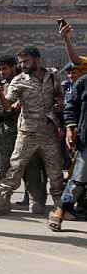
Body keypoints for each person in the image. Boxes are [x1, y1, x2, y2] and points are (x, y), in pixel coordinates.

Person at [0, 47, 64, 216]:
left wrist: (59, 104)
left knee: (55, 171)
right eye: (20, 62)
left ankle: (60, 206)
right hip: (26, 132)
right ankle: (3, 202)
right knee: (15, 168)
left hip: (48, 132)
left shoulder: (53, 76)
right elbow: (8, 106)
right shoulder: (19, 81)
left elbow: (59, 95)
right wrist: (0, 94)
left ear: (37, 59)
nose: (22, 65)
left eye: (25, 62)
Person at [48, 67, 87, 231]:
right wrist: (70, 129)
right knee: (79, 178)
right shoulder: (84, 82)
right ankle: (60, 210)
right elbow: (71, 106)